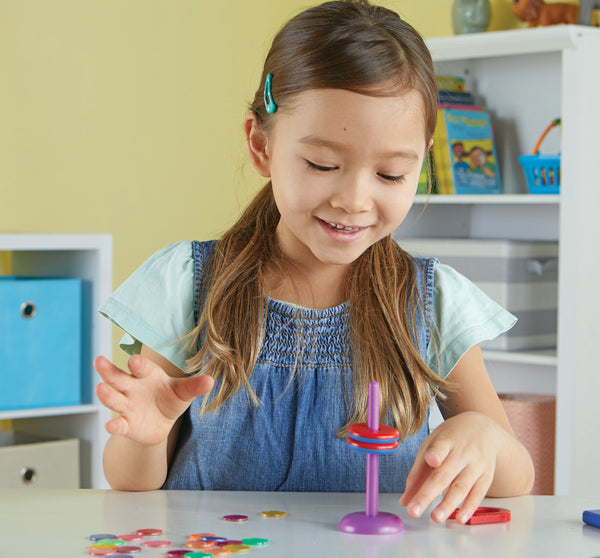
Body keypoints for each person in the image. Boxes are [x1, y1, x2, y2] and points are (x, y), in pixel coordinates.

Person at [94, 0, 534, 525]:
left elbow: (517, 479)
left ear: (423, 160)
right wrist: (146, 437)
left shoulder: (433, 301)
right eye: (322, 164)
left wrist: (485, 437)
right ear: (261, 146)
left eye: (391, 175)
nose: (354, 199)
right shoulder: (188, 285)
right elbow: (131, 482)